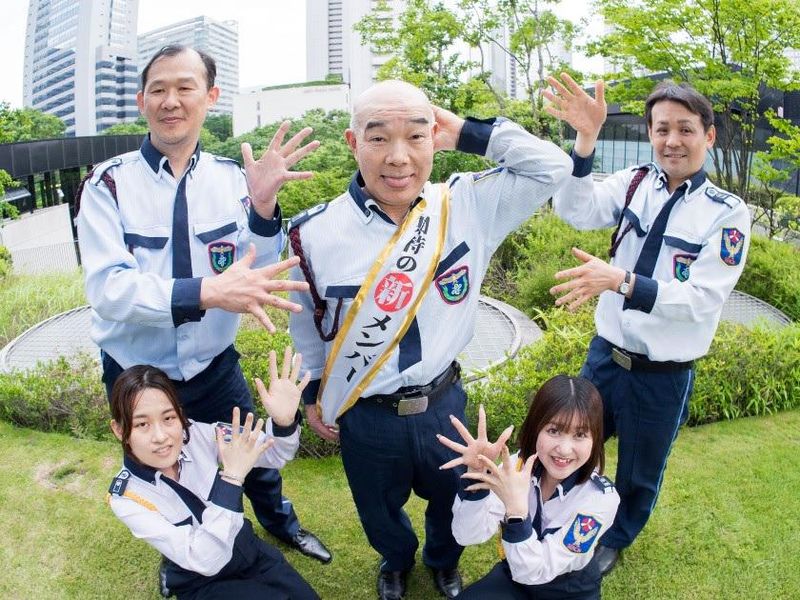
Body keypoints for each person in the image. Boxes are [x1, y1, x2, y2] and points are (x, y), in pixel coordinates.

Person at [287, 79, 572, 599]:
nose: (399, 157)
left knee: (452, 498)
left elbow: (553, 167)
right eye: (379, 138)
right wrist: (311, 393)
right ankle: (396, 561)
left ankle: (443, 561)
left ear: (434, 138)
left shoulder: (467, 205)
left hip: (444, 403)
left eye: (416, 136)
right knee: (377, 507)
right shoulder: (313, 233)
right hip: (367, 412)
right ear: (353, 143)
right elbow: (307, 323)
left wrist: (465, 132)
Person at [76, 44, 331, 569]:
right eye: (158, 89)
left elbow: (260, 266)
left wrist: (264, 207)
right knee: (157, 465)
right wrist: (206, 291)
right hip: (135, 371)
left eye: (184, 87)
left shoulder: (233, 179)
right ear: (142, 101)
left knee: (254, 454)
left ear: (210, 96)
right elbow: (108, 290)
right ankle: (177, 553)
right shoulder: (107, 184)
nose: (171, 100)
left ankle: (282, 524)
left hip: (212, 366)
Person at [544, 75, 751, 575]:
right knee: (575, 446)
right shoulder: (634, 182)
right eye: (661, 129)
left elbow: (702, 298)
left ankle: (614, 539)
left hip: (661, 374)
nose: (672, 140)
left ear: (708, 135)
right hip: (605, 357)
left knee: (640, 469)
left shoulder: (727, 214)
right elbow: (573, 209)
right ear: (651, 134)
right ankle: (559, 516)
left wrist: (621, 281)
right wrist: (586, 140)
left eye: (685, 129)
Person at [107, 348, 320, 599]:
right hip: (201, 580)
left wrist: (284, 422)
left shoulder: (199, 435)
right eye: (142, 424)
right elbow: (205, 559)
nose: (161, 436)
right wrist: (231, 479)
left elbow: (274, 454)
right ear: (119, 430)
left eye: (168, 418)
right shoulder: (127, 498)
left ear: (181, 415)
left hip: (248, 549)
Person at [439, 376, 619, 599]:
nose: (564, 449)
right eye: (554, 430)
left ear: (595, 439)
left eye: (580, 435)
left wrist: (516, 514)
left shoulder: (600, 498)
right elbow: (467, 535)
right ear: (536, 428)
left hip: (569, 588)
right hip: (514, 576)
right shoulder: (516, 467)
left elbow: (536, 571)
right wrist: (479, 479)